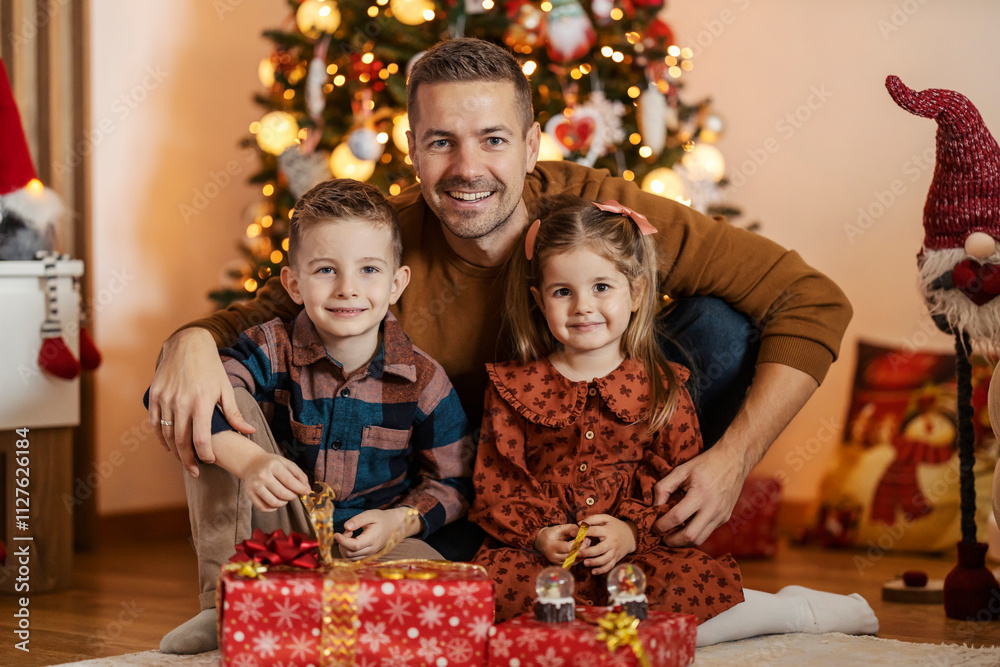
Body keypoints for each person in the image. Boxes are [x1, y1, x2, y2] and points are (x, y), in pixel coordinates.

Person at [148, 37, 851, 557]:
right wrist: (188, 341)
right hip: (472, 488)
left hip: (616, 461)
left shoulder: (601, 215)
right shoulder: (380, 247)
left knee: (721, 329)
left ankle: (638, 537)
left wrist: (732, 462)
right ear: (412, 147)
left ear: (531, 144)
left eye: (492, 139)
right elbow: (254, 322)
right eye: (441, 143)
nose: (468, 169)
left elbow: (812, 299)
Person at [470, 196, 878, 645]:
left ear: (637, 292)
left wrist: (630, 531)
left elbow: (671, 478)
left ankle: (792, 610)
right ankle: (584, 635)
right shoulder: (511, 387)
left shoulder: (663, 388)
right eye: (563, 292)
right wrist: (541, 534)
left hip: (633, 559)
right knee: (489, 605)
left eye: (602, 287)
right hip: (539, 561)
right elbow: (498, 480)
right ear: (539, 299)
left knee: (677, 598)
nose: (583, 306)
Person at [155, 179, 475, 653]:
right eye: (326, 269)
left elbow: (454, 482)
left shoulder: (423, 379)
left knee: (438, 600)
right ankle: (225, 602)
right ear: (294, 283)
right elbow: (181, 396)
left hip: (377, 540)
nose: (348, 289)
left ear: (396, 283)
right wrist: (250, 462)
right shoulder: (272, 346)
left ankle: (317, 609)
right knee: (217, 393)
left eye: (368, 269)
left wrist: (402, 523)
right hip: (285, 524)